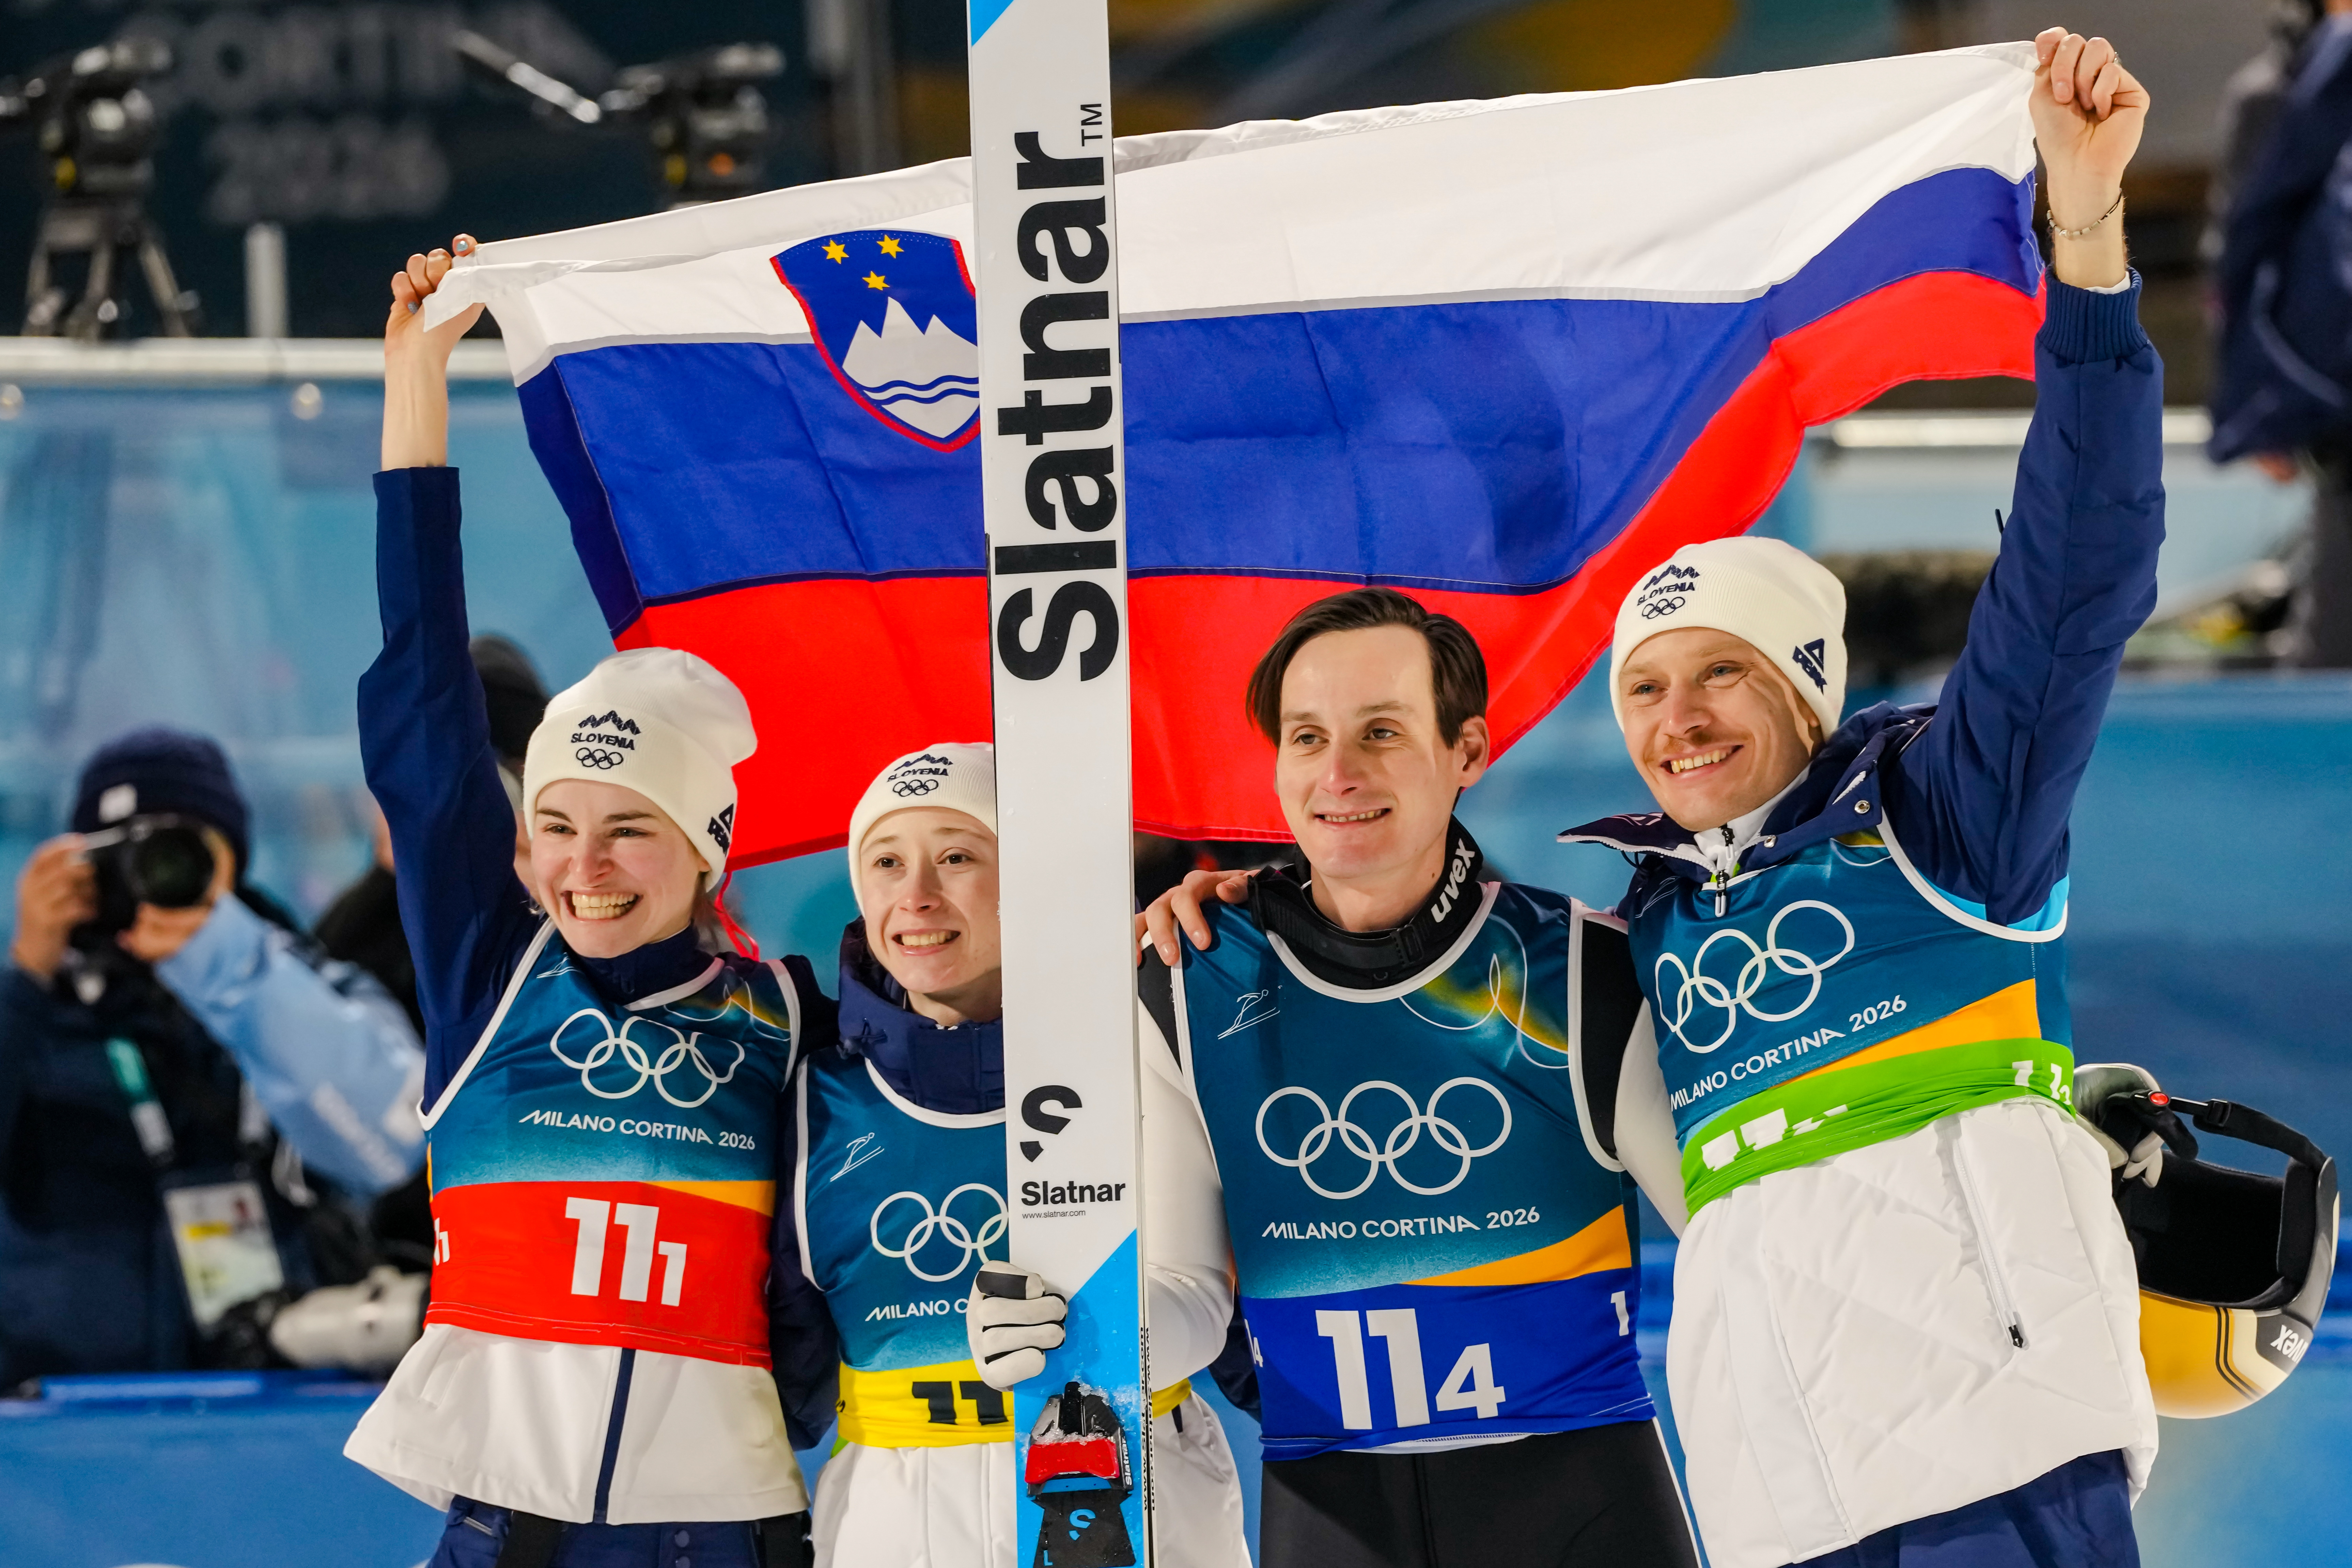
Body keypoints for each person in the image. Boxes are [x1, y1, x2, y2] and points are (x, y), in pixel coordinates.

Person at [1549, 31, 2162, 1568]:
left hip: (2000, 1456)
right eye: (1642, 688)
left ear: (1809, 693)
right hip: (1778, 1496)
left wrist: (2086, 247)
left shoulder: (1946, 817)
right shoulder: (1634, 925)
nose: (1677, 719)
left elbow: (2075, 572)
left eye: (1722, 673)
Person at [344, 239, 826, 1568]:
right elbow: (422, 701)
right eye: (556, 827)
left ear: (708, 851)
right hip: (510, 1529)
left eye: (630, 831)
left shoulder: (788, 1019)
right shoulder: (490, 972)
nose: (585, 864)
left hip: (724, 1534)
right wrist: (416, 386)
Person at [1132, 589, 1698, 1568]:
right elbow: (1187, 1297)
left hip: (1586, 1499)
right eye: (1307, 738)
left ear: (1467, 750)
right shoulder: (1187, 978)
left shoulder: (1584, 969)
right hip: (1331, 1510)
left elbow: (1736, 1238)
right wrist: (1086, 1332)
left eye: (1382, 732)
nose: (1338, 773)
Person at [775, 743, 1251, 1568]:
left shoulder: (1143, 1037)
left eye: (958, 857)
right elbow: (783, 1385)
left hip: (1142, 1496)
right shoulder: (810, 1093)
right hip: (899, 1519)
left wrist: (1249, 918)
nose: (916, 895)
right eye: (886, 862)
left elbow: (1236, 1331)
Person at [1, 728, 427, 1384]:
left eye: (179, 851)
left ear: (232, 861)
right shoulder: (33, 1009)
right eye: (121, 855)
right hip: (66, 1410)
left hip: (278, 1399)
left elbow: (390, 1145)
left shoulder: (308, 985)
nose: (151, 876)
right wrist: (27, 976)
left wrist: (229, 968)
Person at [2209, 0, 2352, 667]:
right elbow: (2240, 251)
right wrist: (2255, 402)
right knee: (2336, 655)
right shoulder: (2271, 95)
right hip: (2338, 417)